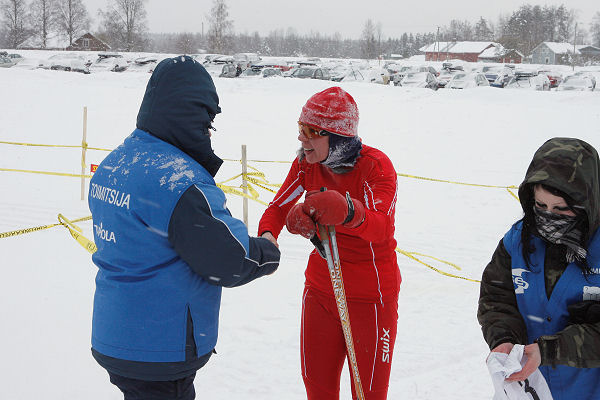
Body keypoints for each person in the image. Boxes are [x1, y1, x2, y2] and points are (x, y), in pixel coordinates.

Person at [88, 56, 280, 400]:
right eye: (207, 122)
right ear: (191, 115)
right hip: (159, 347)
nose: (208, 132)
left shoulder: (115, 163)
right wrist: (268, 250)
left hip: (116, 336)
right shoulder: (178, 182)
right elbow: (229, 259)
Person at [258, 87, 401, 400]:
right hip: (322, 291)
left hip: (370, 297)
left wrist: (349, 211)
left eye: (311, 131)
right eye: (300, 129)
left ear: (337, 136)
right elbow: (278, 207)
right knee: (318, 389)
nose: (301, 139)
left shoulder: (376, 166)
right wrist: (269, 236)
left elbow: (380, 226)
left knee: (369, 394)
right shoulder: (307, 164)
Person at [477, 137, 600, 399]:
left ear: (585, 204)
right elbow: (497, 297)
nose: (548, 217)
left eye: (561, 209)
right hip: (530, 387)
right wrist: (503, 339)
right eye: (541, 206)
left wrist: (553, 349)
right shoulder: (518, 241)